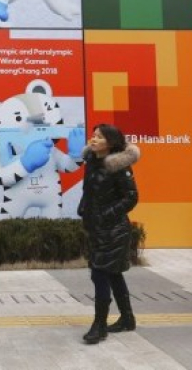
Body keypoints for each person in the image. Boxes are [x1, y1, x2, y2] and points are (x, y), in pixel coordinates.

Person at [77, 124, 140, 345]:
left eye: (99, 137)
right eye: (93, 136)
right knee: (112, 273)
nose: (93, 140)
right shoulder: (93, 163)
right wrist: (84, 207)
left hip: (113, 230)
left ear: (111, 143)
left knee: (100, 274)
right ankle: (127, 318)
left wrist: (106, 214)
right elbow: (91, 191)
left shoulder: (118, 166)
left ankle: (99, 325)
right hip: (97, 228)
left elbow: (131, 197)